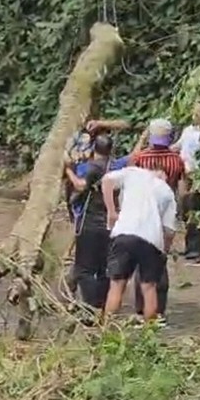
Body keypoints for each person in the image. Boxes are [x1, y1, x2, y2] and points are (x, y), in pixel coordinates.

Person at [100, 166, 178, 326]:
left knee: (116, 285)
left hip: (123, 233)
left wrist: (111, 211)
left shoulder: (134, 173)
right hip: (150, 240)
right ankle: (149, 333)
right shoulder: (167, 192)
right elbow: (169, 231)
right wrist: (164, 251)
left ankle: (106, 328)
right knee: (149, 288)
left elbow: (106, 181)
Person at [127, 118, 184, 320]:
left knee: (141, 260)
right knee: (160, 258)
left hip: (143, 213)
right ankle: (159, 308)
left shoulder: (141, 158)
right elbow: (181, 185)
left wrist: (141, 140)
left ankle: (142, 307)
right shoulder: (176, 160)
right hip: (166, 213)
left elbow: (129, 166)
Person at [64, 133, 115, 316]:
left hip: (90, 222)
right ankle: (102, 305)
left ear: (94, 149)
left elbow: (80, 186)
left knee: (84, 269)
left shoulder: (93, 168)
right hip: (109, 224)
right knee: (103, 268)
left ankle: (90, 307)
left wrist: (68, 170)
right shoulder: (115, 167)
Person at [172, 101, 200, 265]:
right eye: (195, 111)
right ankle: (192, 246)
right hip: (186, 175)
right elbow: (177, 147)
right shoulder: (188, 131)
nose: (195, 114)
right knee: (188, 211)